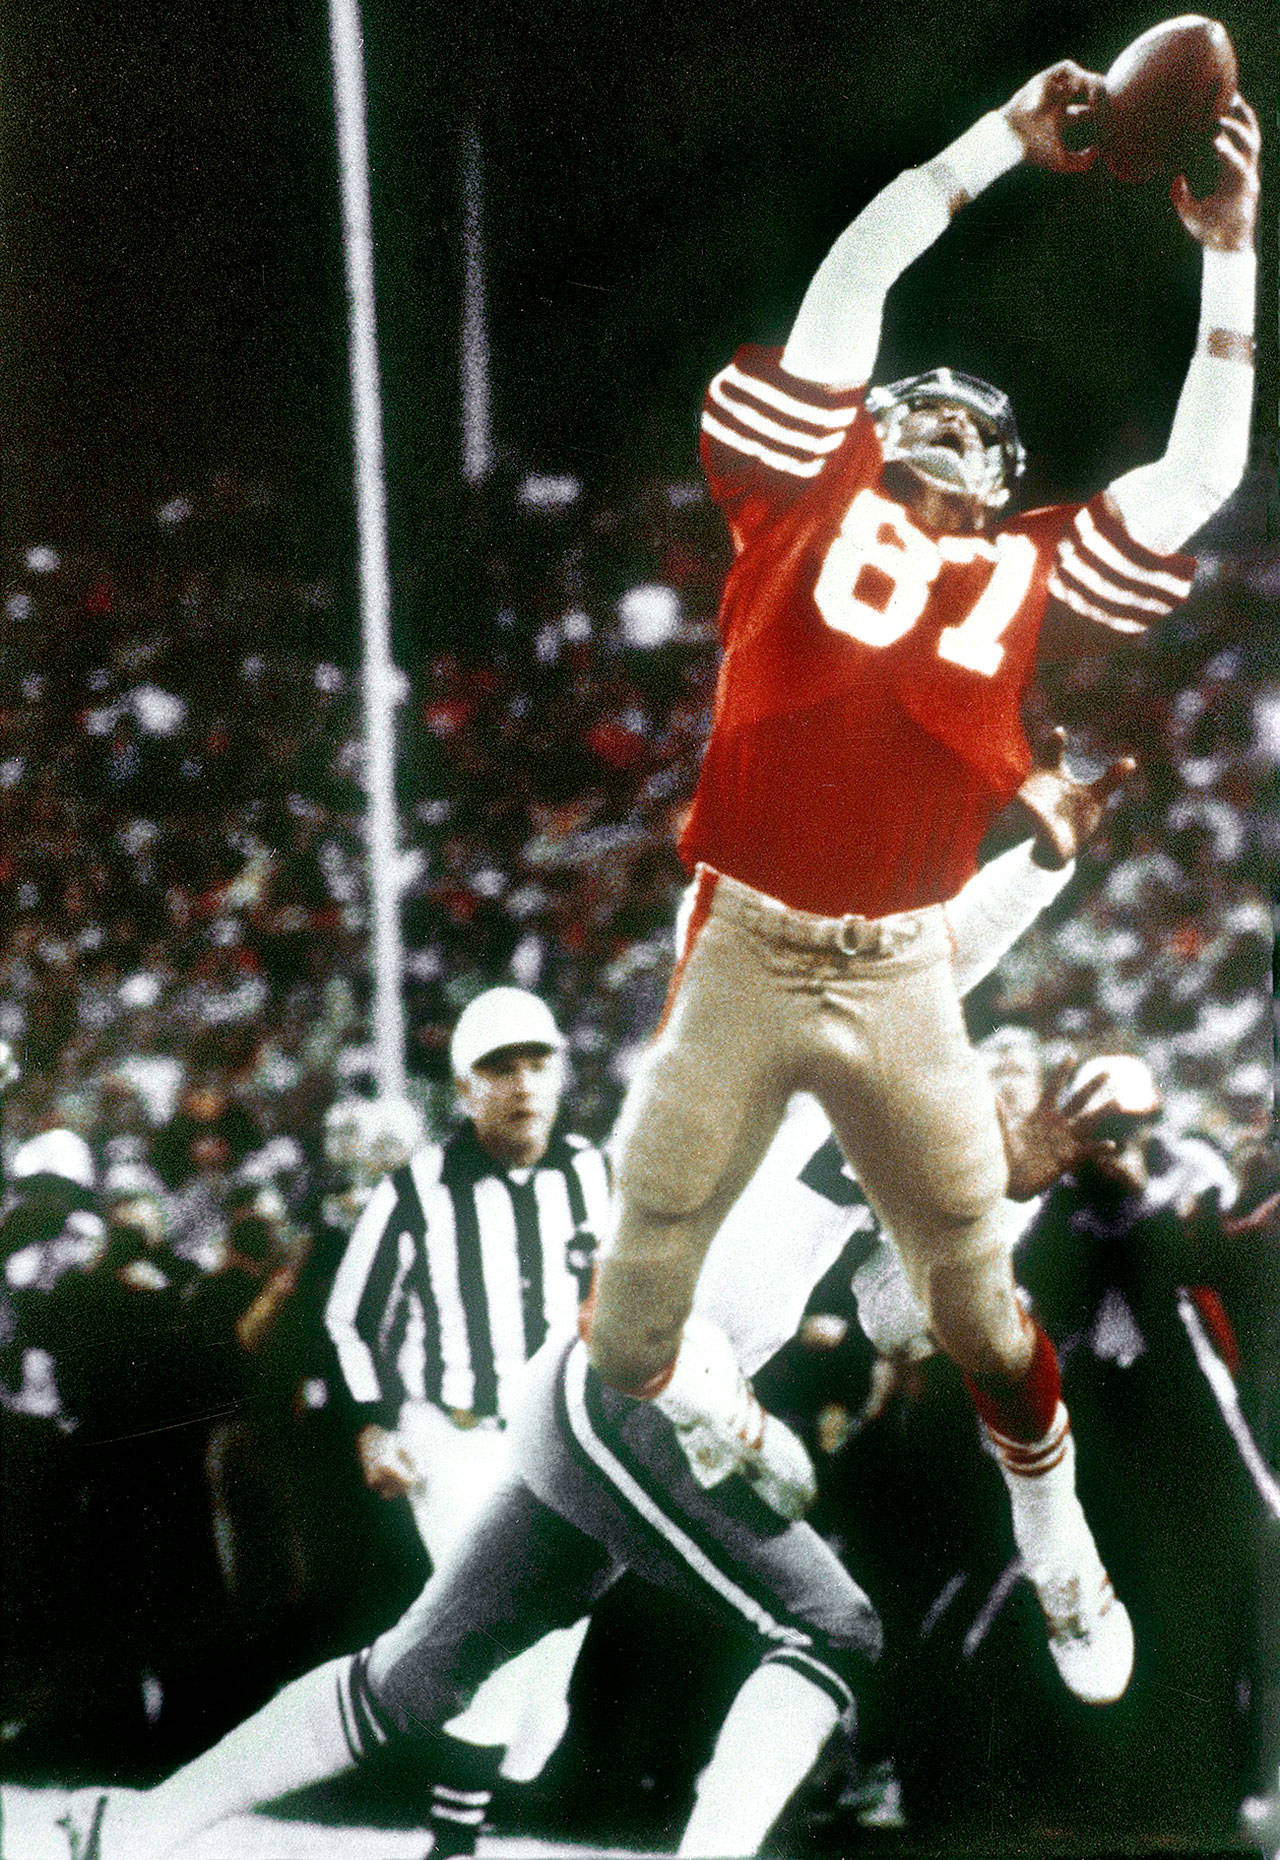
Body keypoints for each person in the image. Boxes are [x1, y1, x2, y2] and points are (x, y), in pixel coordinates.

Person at [48, 745, 1125, 1860]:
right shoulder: (778, 999)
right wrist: (1036, 866)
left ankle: (130, 1825)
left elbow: (897, 1318)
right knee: (832, 1629)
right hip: (635, 1377)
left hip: (621, 1394)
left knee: (411, 1681)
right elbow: (931, 955)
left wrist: (997, 1198)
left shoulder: (894, 1081)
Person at [582, 58, 1259, 1707]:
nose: (945, 447)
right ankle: (709, 1398)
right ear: (880, 442)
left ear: (991, 472)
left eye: (971, 438)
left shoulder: (990, 558)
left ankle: (1059, 1543)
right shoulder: (822, 498)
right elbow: (865, 298)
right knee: (636, 1304)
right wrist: (1197, 237)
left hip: (884, 960)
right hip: (750, 932)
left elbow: (1179, 481)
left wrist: (1163, 216)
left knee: (970, 1292)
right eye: (922, 426)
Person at [323, 987, 610, 1849]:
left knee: (541, 1699)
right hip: (455, 1438)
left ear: (561, 1074)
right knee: (503, 1621)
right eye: (499, 1069)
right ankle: (454, 1840)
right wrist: (374, 1425)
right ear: (464, 1089)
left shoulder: (600, 1174)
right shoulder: (414, 1191)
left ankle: (485, 1781)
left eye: (536, 1065)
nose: (522, 1085)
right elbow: (350, 1317)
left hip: (567, 1447)